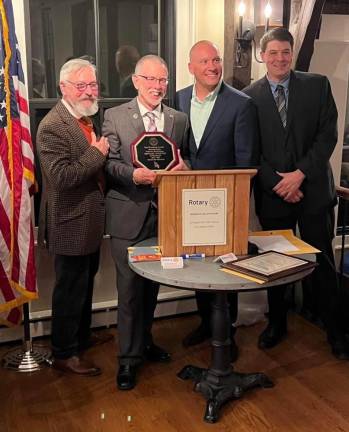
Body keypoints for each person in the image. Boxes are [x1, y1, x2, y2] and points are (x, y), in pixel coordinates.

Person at [243, 27, 349, 359]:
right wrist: (279, 182)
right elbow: (249, 150)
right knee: (275, 264)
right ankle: (277, 324)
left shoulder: (317, 86)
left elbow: (327, 136)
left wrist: (300, 174)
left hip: (313, 192)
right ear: (262, 56)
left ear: (292, 53)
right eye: (272, 52)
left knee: (323, 261)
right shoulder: (248, 97)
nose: (279, 58)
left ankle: (336, 331)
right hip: (274, 196)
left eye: (285, 51)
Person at [103, 54, 189, 390]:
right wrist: (133, 175)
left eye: (163, 80)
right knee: (129, 292)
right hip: (127, 213)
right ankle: (127, 360)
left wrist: (184, 167)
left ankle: (146, 343)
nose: (158, 87)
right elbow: (108, 164)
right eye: (151, 80)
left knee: (152, 286)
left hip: (163, 216)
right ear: (136, 81)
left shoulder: (177, 119)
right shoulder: (114, 116)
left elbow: (186, 155)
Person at [175, 40, 258, 360]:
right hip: (187, 200)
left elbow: (246, 162)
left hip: (225, 204)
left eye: (216, 60)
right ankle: (205, 325)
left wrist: (236, 210)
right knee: (198, 266)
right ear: (191, 68)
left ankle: (228, 332)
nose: (212, 66)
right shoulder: (178, 99)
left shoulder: (241, 104)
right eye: (205, 61)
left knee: (226, 269)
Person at [37, 58, 110, 376]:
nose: (89, 91)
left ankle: (80, 340)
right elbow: (62, 177)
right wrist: (97, 154)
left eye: (93, 84)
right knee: (69, 289)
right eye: (81, 85)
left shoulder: (87, 117)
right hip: (68, 222)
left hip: (88, 221)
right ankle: (64, 353)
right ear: (63, 87)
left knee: (84, 284)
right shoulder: (52, 126)